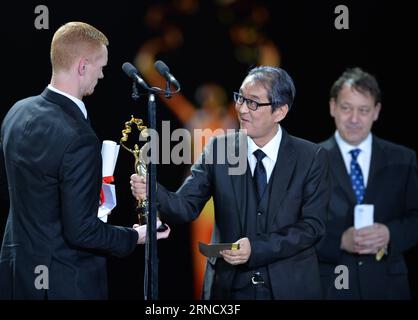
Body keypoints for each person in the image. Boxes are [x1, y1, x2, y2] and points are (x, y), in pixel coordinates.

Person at [0, 21, 170, 300]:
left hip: (17, 279)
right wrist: (135, 237)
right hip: (64, 283)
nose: (101, 74)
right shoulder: (78, 136)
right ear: (82, 66)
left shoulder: (17, 112)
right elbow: (81, 232)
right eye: (101, 66)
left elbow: (0, 185)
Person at [131, 66, 329, 299]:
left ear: (280, 111)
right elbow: (185, 206)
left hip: (290, 287)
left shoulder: (311, 157)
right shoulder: (218, 149)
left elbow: (312, 227)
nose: (242, 109)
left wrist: (256, 249)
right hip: (229, 289)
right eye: (240, 98)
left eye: (253, 102)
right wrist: (154, 191)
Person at [317, 67, 418, 299]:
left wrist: (390, 234)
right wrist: (339, 241)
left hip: (389, 288)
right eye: (346, 108)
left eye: (363, 110)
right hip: (332, 287)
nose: (354, 119)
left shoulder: (403, 159)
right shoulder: (309, 161)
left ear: (376, 111)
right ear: (332, 107)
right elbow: (296, 227)